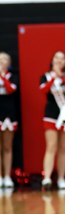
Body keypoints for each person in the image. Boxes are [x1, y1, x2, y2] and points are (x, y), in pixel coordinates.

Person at [40, 50, 65, 191]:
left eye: (62, 58)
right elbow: (44, 90)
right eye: (56, 58)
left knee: (62, 148)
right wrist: (53, 77)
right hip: (51, 114)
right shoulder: (45, 77)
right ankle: (47, 178)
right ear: (52, 60)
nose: (59, 60)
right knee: (51, 146)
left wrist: (61, 76)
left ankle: (61, 178)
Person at [0, 52, 18, 189]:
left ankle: (7, 176)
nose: (1, 61)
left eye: (4, 59)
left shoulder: (13, 77)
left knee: (7, 147)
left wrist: (2, 75)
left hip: (9, 115)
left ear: (9, 63)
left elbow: (11, 89)